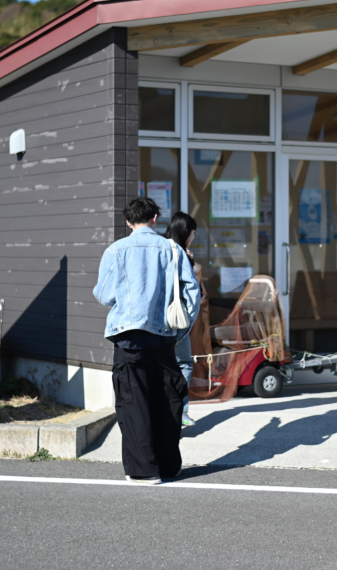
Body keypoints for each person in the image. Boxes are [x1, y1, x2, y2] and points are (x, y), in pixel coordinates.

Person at [93, 197, 200, 484]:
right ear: (155, 218)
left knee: (133, 402)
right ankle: (168, 466)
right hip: (164, 337)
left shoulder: (115, 250)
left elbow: (103, 295)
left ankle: (143, 470)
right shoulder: (173, 250)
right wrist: (181, 332)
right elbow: (192, 295)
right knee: (168, 401)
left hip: (127, 338)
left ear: (128, 222)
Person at [163, 212, 209, 427]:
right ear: (186, 232)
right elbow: (192, 293)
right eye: (192, 233)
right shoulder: (181, 253)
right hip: (177, 320)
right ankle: (180, 410)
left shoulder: (159, 248)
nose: (193, 238)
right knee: (184, 364)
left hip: (155, 320)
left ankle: (165, 410)